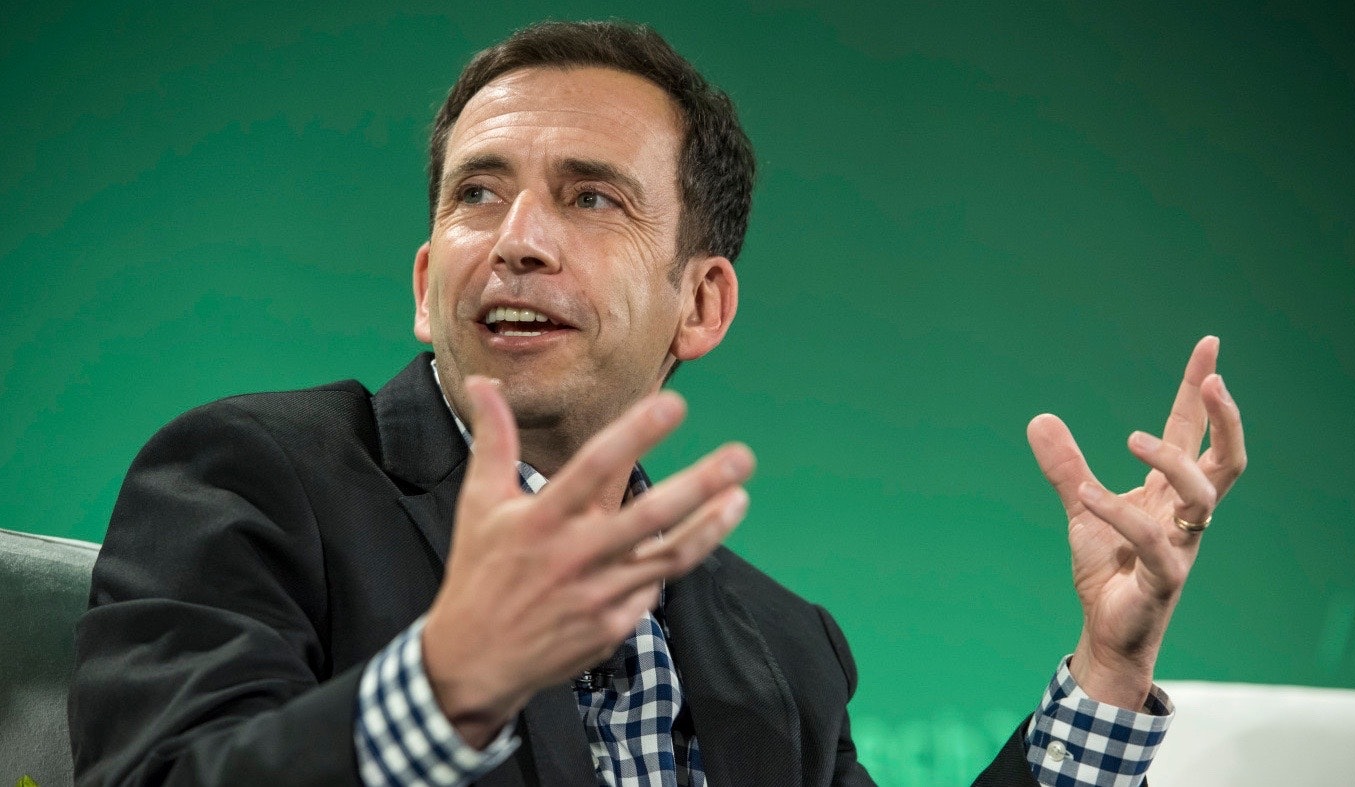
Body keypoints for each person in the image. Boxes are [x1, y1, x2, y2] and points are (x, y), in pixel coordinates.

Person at [69, 20, 1247, 787]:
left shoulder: (788, 649)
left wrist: (1105, 662)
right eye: (478, 194)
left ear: (702, 303)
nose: (518, 241)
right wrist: (441, 689)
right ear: (428, 287)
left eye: (589, 199)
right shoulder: (253, 480)